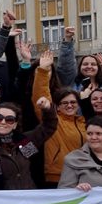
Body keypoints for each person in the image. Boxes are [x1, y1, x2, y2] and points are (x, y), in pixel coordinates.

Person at [32, 49, 86, 187]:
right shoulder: (53, 120)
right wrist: (43, 71)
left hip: (83, 177)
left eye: (73, 102)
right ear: (57, 105)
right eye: (64, 103)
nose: (69, 106)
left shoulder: (84, 122)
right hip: (56, 177)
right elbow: (41, 95)